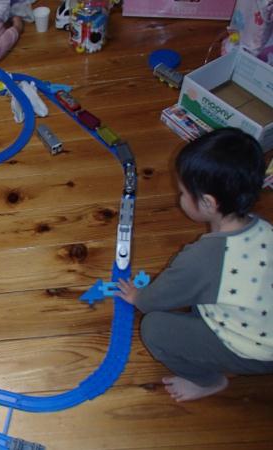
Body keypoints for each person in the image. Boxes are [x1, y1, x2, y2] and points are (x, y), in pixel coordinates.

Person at [117, 128, 273, 402]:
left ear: (208, 203)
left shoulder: (201, 258)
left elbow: (154, 301)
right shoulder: (264, 229)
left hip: (256, 353)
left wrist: (138, 297)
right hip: (262, 326)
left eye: (182, 192)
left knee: (155, 328)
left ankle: (209, 382)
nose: (178, 197)